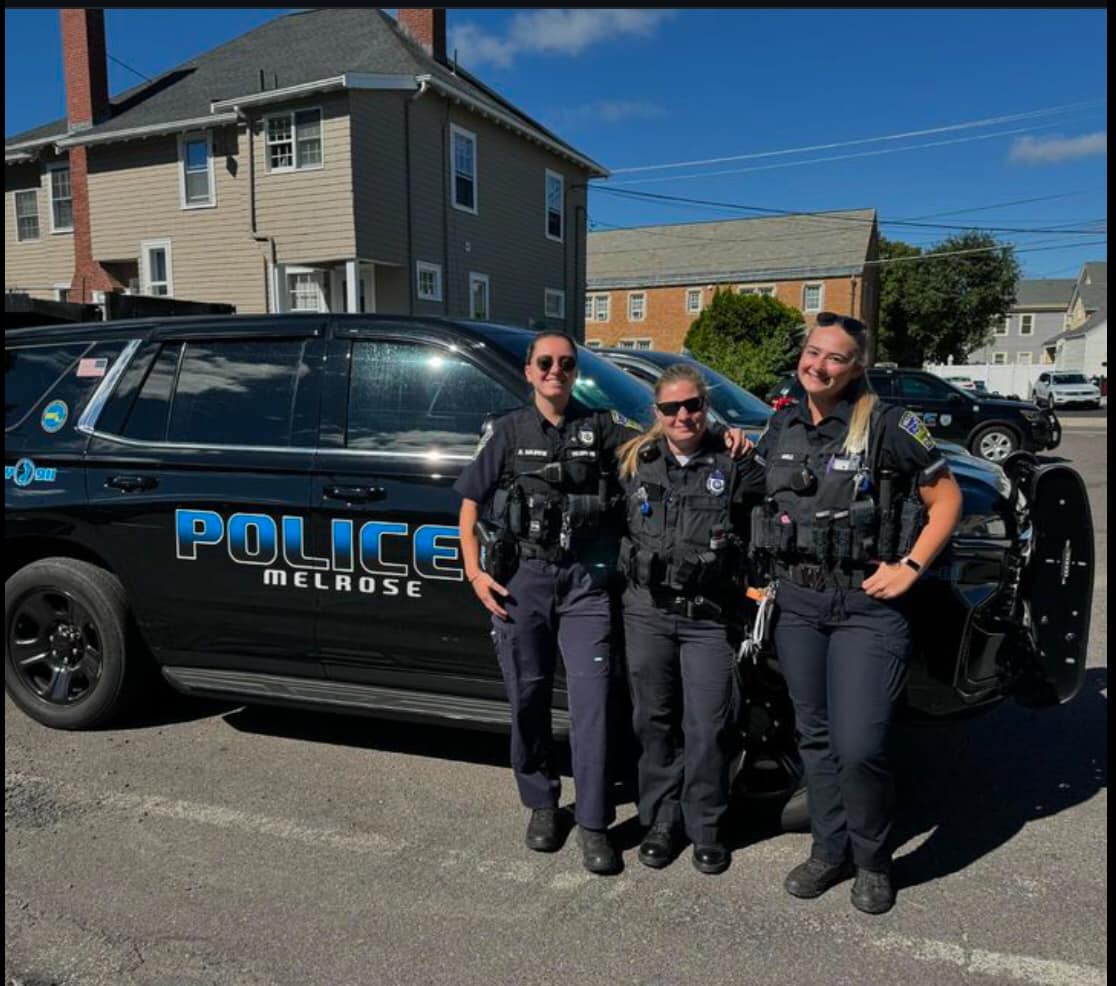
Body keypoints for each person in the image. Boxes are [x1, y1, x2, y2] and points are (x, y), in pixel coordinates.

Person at [455, 331, 748, 875]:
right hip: (523, 580)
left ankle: (593, 822)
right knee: (528, 697)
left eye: (566, 363)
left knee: (592, 707)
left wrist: (725, 435)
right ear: (529, 371)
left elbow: (662, 438)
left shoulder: (603, 427)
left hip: (584, 586)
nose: (556, 371)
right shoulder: (506, 431)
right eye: (545, 362)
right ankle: (542, 803)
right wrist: (474, 573)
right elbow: (470, 505)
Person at [741, 312, 962, 914]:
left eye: (835, 357)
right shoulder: (782, 422)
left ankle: (872, 860)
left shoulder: (889, 424)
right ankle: (828, 851)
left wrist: (911, 566)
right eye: (813, 352)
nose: (819, 364)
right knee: (814, 736)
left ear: (857, 366)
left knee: (859, 743)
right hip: (801, 605)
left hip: (867, 606)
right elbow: (761, 492)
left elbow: (946, 498)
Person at [615, 363, 756, 875]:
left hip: (709, 619)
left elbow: (778, 508)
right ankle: (661, 820)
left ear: (705, 407)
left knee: (708, 725)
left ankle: (707, 827)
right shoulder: (635, 460)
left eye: (692, 405)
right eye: (671, 407)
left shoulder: (736, 462)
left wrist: (736, 437)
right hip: (648, 612)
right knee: (653, 721)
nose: (683, 415)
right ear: (657, 413)